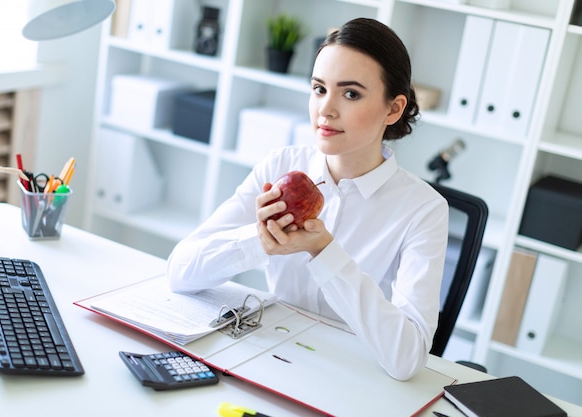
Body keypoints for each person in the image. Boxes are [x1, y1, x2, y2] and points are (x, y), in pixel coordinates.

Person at [167, 18, 449, 381]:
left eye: (350, 94)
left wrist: (324, 251)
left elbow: (407, 360)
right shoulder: (280, 166)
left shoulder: (423, 210)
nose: (326, 110)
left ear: (393, 110)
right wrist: (262, 239)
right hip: (268, 362)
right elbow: (179, 272)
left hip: (349, 378)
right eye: (319, 89)